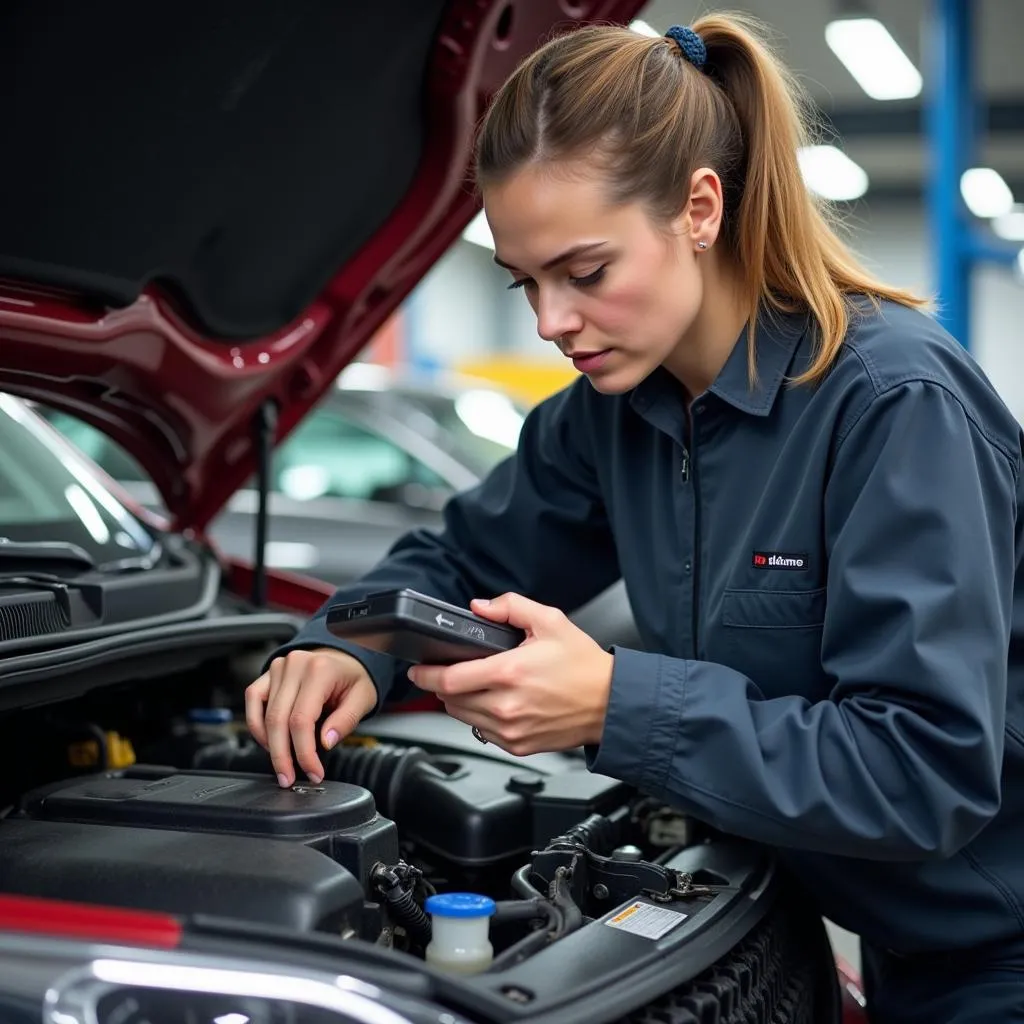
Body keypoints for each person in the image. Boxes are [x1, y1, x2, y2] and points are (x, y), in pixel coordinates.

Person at [244, 14, 1024, 1023]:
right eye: (524, 282)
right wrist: (349, 642)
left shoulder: (891, 404)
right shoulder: (613, 418)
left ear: (699, 208)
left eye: (585, 271)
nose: (549, 322)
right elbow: (458, 555)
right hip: (874, 929)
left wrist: (616, 704)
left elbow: (919, 771)